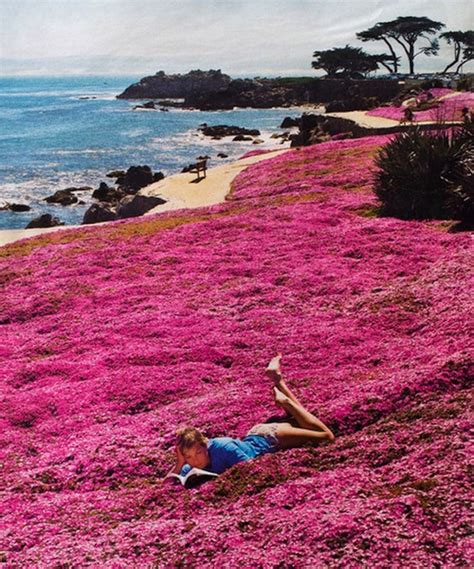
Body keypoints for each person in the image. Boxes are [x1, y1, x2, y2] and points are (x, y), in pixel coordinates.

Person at [164, 354, 335, 480]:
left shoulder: (223, 447)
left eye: (198, 452)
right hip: (254, 434)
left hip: (270, 438)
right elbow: (167, 486)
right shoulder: (191, 465)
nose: (194, 460)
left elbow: (251, 468)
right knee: (297, 419)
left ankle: (285, 401)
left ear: (206, 444)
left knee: (325, 437)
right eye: (188, 456)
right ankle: (277, 379)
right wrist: (180, 463)